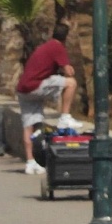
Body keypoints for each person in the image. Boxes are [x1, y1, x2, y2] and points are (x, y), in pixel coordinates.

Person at [17, 21, 79, 175]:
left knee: (30, 125)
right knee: (71, 83)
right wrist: (68, 68)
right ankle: (64, 116)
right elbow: (68, 72)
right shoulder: (57, 46)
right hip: (35, 85)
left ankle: (31, 162)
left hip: (23, 89)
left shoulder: (45, 47)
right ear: (65, 37)